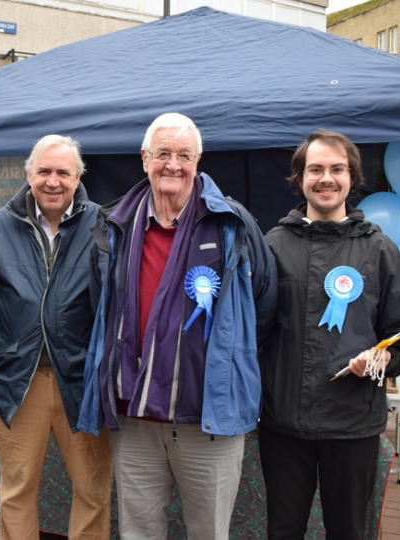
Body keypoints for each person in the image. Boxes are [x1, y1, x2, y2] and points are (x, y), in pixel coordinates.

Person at [78, 113, 277, 540]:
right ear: (144, 158)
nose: (173, 165)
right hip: (135, 419)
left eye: (184, 155)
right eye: (163, 154)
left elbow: (261, 303)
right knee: (139, 533)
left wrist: (224, 360)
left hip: (207, 418)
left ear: (198, 160)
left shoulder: (232, 224)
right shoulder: (116, 223)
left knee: (208, 533)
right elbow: (103, 304)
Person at [0, 134, 114, 539]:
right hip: (15, 380)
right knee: (17, 489)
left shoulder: (102, 224)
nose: (52, 181)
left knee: (93, 489)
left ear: (78, 176)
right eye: (44, 170)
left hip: (81, 381)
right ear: (28, 174)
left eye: (63, 172)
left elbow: (115, 303)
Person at [259, 130, 400, 540]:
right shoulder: (272, 245)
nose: (326, 178)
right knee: (283, 531)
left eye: (337, 169)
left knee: (348, 532)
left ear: (352, 177)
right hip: (283, 425)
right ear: (300, 178)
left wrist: (384, 359)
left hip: (352, 426)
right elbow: (254, 333)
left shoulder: (380, 250)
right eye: (315, 169)